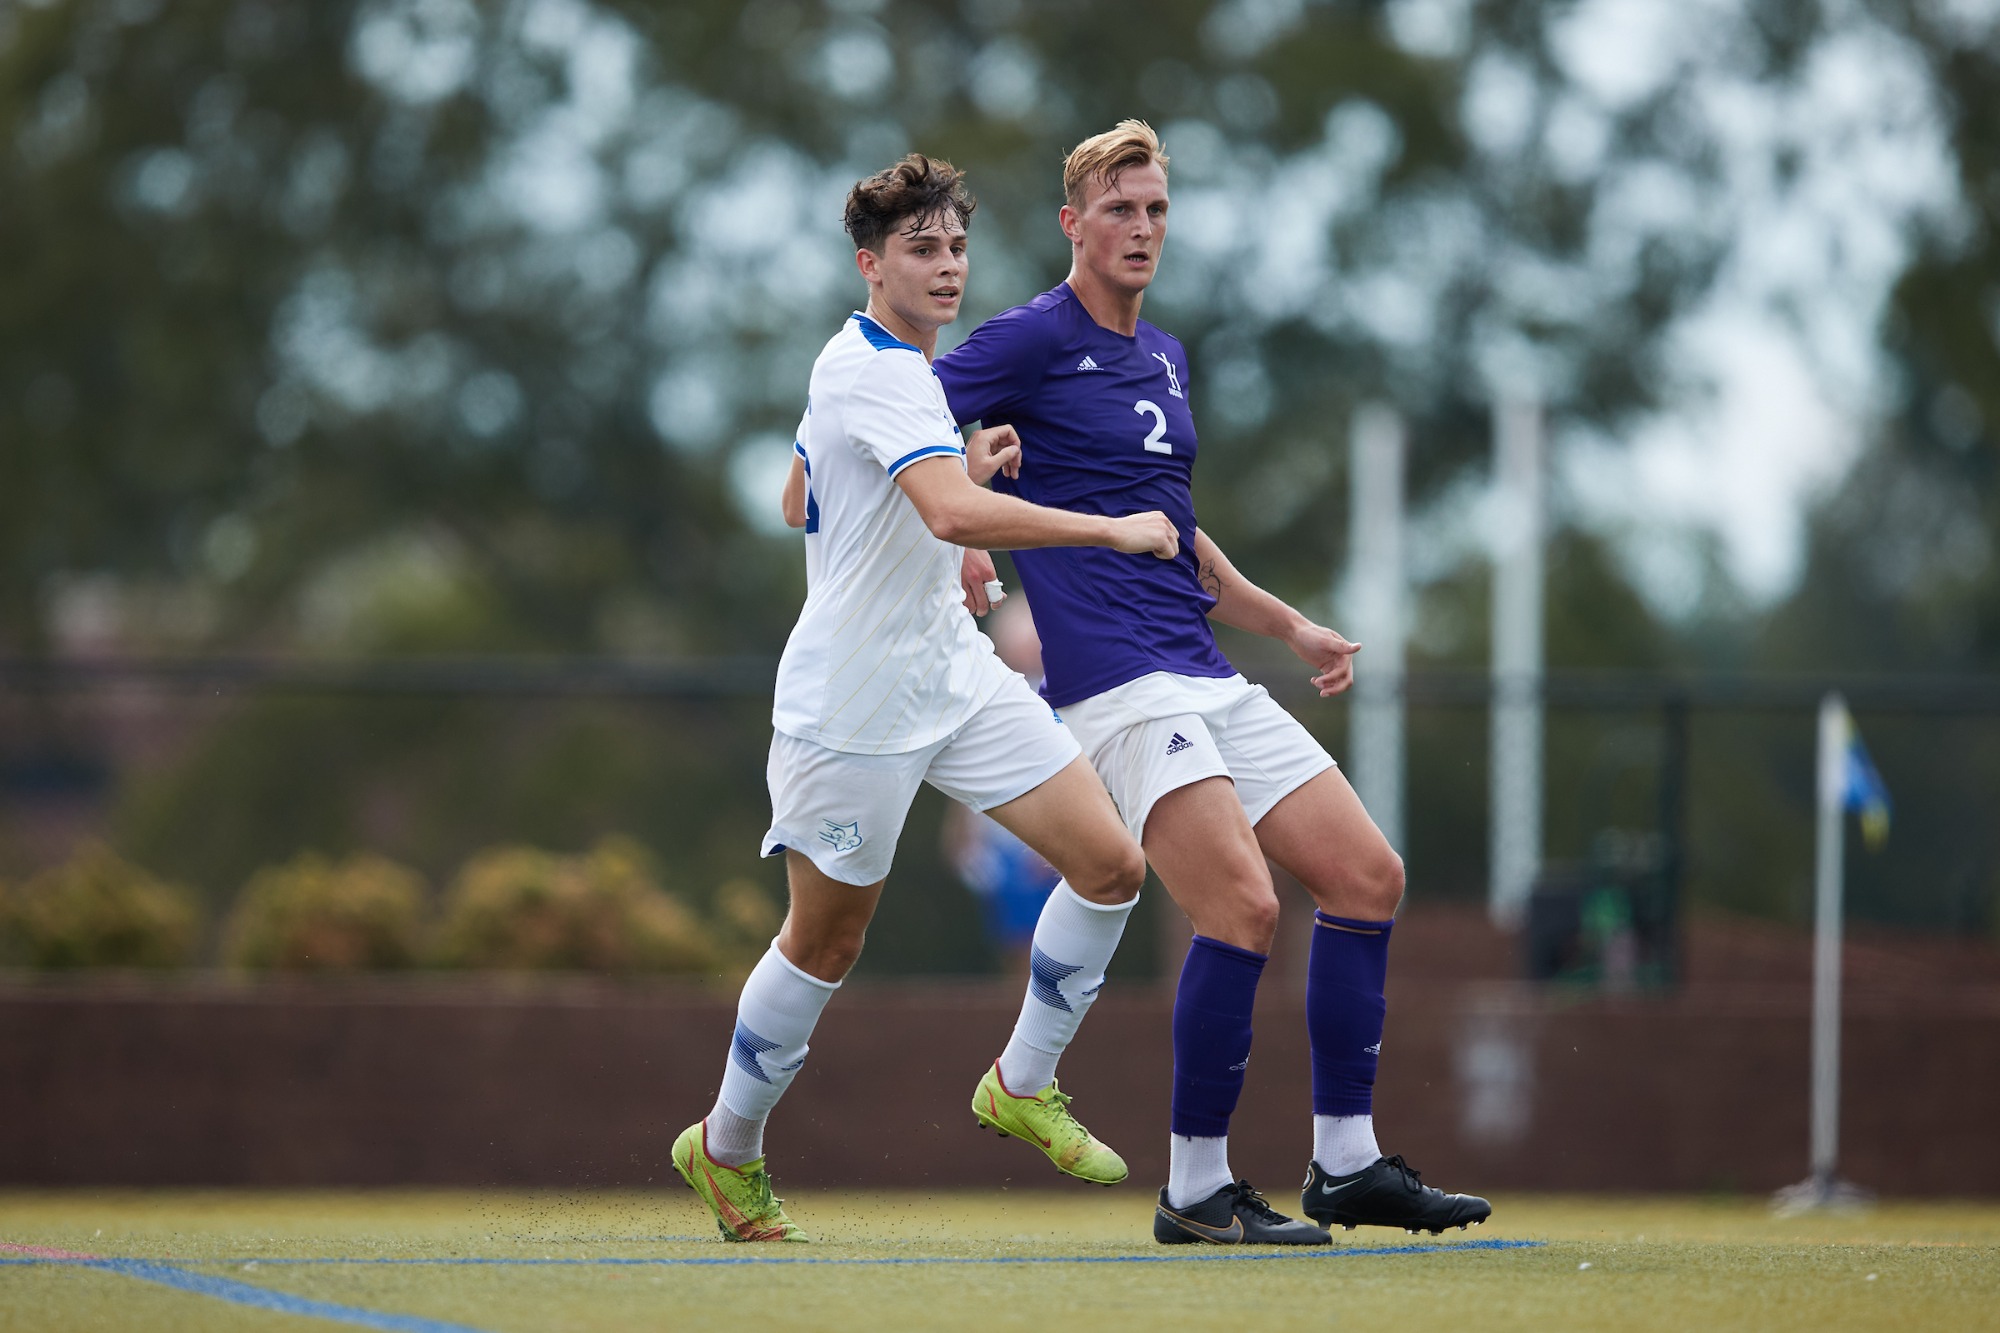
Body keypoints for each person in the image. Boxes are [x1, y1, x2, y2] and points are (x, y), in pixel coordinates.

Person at [936, 121, 1492, 1246]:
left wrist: (1287, 624)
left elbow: (1178, 540)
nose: (1140, 229)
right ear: (1071, 225)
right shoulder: (1026, 340)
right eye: (1118, 210)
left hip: (1204, 669)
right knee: (1240, 907)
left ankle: (1345, 1163)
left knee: (1366, 874)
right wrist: (956, 533)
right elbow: (906, 428)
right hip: (1116, 691)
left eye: (1154, 211)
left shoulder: (1165, 357)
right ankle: (1194, 1187)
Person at [671, 153, 1180, 1243]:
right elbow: (941, 517)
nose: (946, 267)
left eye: (954, 247)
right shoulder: (878, 373)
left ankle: (1021, 1081)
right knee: (825, 944)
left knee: (1108, 862)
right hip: (850, 701)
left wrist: (945, 478)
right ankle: (724, 1146)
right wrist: (1101, 526)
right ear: (870, 264)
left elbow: (798, 492)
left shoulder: (885, 369)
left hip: (951, 672)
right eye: (920, 249)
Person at [941, 598, 1063, 977]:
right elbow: (969, 772)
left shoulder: (1063, 697)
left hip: (1052, 841)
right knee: (1018, 947)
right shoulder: (984, 698)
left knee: (1064, 948)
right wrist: (963, 841)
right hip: (1002, 843)